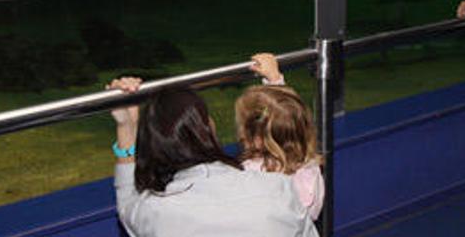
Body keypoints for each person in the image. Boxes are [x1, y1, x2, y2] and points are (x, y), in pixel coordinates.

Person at [107, 79, 319, 237]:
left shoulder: (156, 212)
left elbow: (128, 206)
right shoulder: (278, 188)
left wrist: (126, 125)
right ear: (209, 128)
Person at [240, 52, 325, 220]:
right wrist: (275, 80)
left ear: (256, 139)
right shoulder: (309, 168)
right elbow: (289, 115)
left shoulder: (251, 175)